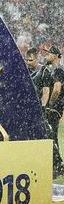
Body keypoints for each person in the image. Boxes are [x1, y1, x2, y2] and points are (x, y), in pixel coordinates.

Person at [44, 46, 64, 176]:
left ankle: (58, 165)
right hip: (56, 108)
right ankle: (57, 164)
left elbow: (57, 89)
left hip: (55, 108)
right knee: (52, 135)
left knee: (52, 136)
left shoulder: (57, 70)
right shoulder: (55, 70)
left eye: (49, 53)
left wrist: (50, 104)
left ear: (55, 56)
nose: (47, 55)